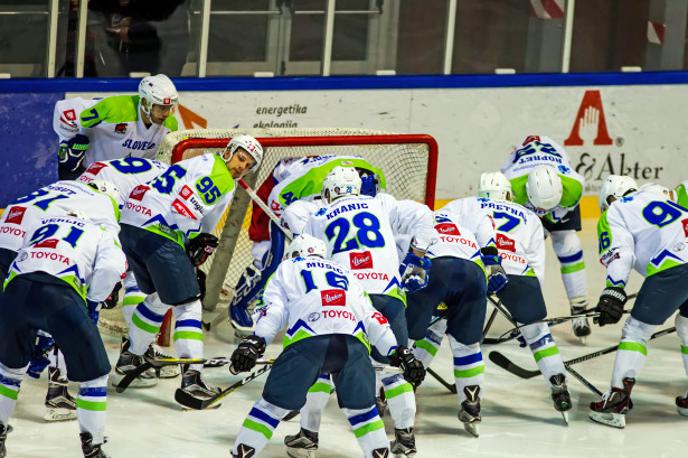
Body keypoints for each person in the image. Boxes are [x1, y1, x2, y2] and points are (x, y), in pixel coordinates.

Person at [282, 166, 434, 457]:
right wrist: (417, 256)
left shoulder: (318, 216)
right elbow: (426, 215)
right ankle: (405, 440)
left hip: (347, 300)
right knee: (394, 371)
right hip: (388, 294)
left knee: (321, 366)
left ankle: (308, 435)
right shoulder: (382, 203)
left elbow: (292, 216)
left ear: (328, 192)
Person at [229, 234, 425, 458]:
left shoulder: (288, 267)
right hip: (353, 345)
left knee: (270, 409)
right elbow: (373, 318)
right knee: (364, 414)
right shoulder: (345, 272)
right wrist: (398, 352)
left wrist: (256, 341)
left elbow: (273, 311)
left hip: (309, 342)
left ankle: (244, 453)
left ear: (294, 253)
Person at [114, 134, 263, 404]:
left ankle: (131, 357)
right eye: (241, 157)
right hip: (159, 230)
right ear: (229, 151)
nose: (243, 166)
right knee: (189, 305)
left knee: (161, 296)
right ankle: (192, 379)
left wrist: (194, 248)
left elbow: (197, 219)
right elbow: (184, 211)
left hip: (131, 227)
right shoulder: (219, 174)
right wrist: (188, 246)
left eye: (249, 164)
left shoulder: (202, 164)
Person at [424, 172, 571, 425]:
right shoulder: (530, 217)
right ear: (508, 194)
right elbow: (537, 269)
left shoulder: (462, 204)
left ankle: (408, 383)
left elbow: (439, 236)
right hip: (519, 273)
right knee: (538, 333)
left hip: (475, 270)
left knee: (439, 326)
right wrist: (529, 318)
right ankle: (559, 384)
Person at [0, 212, 127, 458]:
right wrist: (93, 302)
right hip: (59, 297)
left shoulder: (41, 222)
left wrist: (38, 338)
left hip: (14, 292)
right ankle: (94, 448)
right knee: (95, 376)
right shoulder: (103, 232)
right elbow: (111, 268)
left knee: (7, 371)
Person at [230, 154, 386, 334]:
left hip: (311, 194)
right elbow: (277, 200)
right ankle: (239, 304)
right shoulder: (315, 180)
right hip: (278, 190)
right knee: (271, 258)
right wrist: (301, 237)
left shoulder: (375, 180)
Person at [589, 179, 688, 427]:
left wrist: (614, 289)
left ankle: (615, 401)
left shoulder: (615, 210)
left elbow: (621, 253)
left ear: (609, 199)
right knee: (687, 325)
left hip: (673, 267)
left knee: (636, 331)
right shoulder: (663, 192)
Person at [78, 157, 182, 381]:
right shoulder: (182, 186)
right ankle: (134, 350)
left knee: (127, 274)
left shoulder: (169, 172)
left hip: (92, 192)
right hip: (111, 201)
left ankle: (137, 347)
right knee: (135, 275)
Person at [501, 135, 590, 342]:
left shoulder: (573, 187)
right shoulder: (511, 186)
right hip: (524, 203)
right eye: (540, 206)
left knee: (570, 245)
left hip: (553, 197)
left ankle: (579, 308)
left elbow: (558, 216)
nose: (543, 211)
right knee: (523, 254)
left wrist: (549, 220)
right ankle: (526, 312)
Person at [53, 74, 178, 180]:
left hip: (124, 184)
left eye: (169, 107)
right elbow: (64, 111)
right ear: (145, 102)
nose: (166, 113)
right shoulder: (114, 109)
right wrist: (66, 142)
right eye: (161, 107)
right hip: (86, 175)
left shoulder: (170, 126)